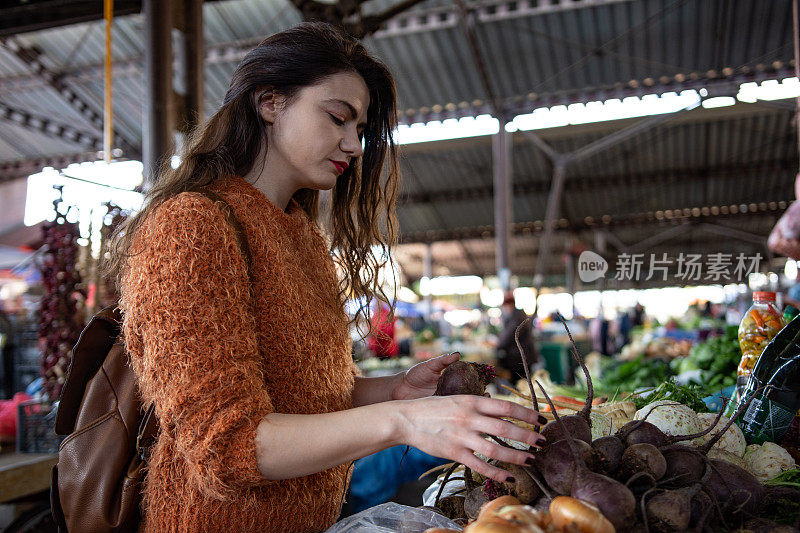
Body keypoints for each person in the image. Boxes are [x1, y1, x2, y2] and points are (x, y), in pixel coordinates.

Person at [105, 23, 545, 533]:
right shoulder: (191, 225)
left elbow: (304, 399)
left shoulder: (301, 235)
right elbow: (226, 445)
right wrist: (401, 422)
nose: (353, 144)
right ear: (270, 102)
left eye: (359, 128)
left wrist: (396, 392)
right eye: (338, 118)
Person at [494, 292, 537, 380]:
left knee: (522, 382)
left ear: (510, 305)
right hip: (519, 357)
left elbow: (510, 334)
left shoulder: (517, 316)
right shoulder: (515, 315)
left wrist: (498, 344)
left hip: (521, 358)